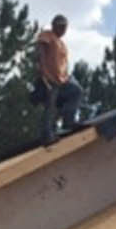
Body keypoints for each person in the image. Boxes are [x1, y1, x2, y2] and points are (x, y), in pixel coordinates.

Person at [35, 14, 82, 144]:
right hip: (49, 78)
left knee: (76, 92)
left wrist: (68, 76)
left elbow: (63, 63)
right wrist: (42, 70)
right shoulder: (47, 35)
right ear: (55, 25)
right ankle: (47, 134)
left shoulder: (62, 43)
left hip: (61, 79)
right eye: (61, 27)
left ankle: (68, 121)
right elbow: (40, 51)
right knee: (50, 105)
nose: (63, 30)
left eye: (65, 27)